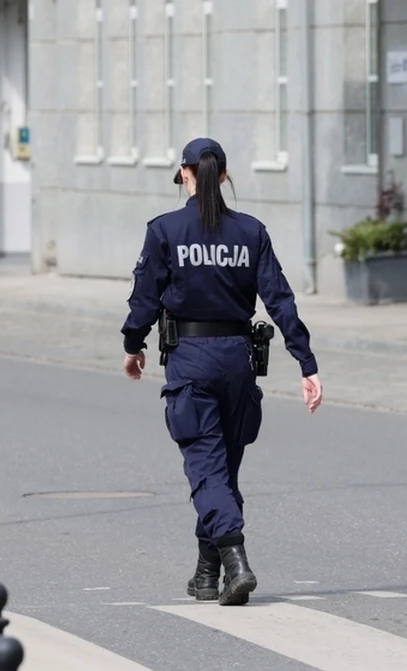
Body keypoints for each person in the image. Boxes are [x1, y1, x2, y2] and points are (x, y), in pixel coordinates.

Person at [121, 137, 323, 607]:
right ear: (225, 176)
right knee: (221, 471)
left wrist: (134, 346)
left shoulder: (165, 230)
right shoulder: (251, 232)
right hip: (237, 361)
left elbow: (144, 299)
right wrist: (306, 363)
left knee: (207, 470)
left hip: (191, 359)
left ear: (185, 174)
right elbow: (281, 301)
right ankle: (207, 573)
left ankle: (236, 560)